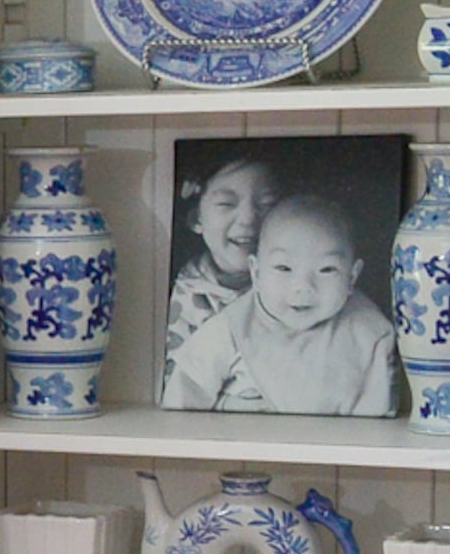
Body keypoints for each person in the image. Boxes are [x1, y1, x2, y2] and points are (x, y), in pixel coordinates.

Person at [162, 193, 397, 415]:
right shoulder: (232, 327)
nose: (303, 286)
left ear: (352, 276)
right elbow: (187, 387)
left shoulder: (370, 332)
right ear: (256, 272)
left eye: (327, 269)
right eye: (284, 268)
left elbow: (376, 412)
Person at [159, 155, 276, 364]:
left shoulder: (294, 281)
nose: (249, 218)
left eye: (266, 203)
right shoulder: (187, 292)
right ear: (196, 219)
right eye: (226, 204)